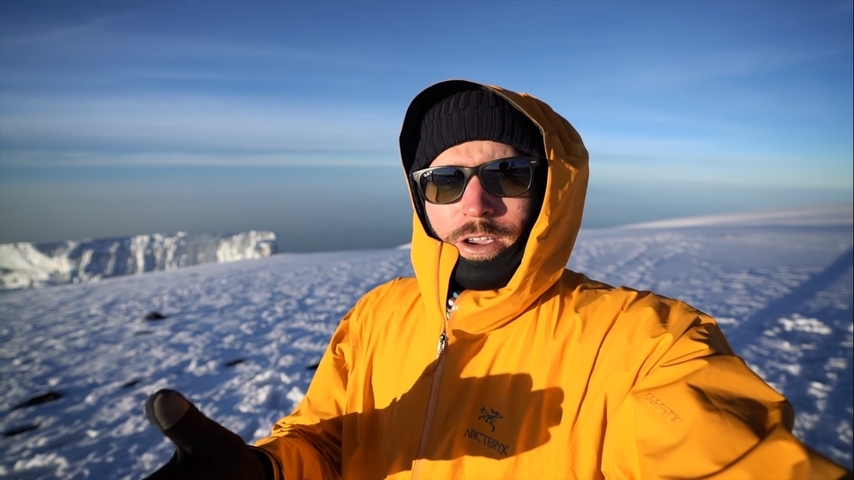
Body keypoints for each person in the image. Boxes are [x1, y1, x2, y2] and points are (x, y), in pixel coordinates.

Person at [144, 80, 852, 479]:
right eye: (445, 181)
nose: (475, 206)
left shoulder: (644, 343)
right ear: (419, 195)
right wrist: (265, 474)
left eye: (508, 174)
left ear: (554, 187)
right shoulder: (379, 317)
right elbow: (330, 441)